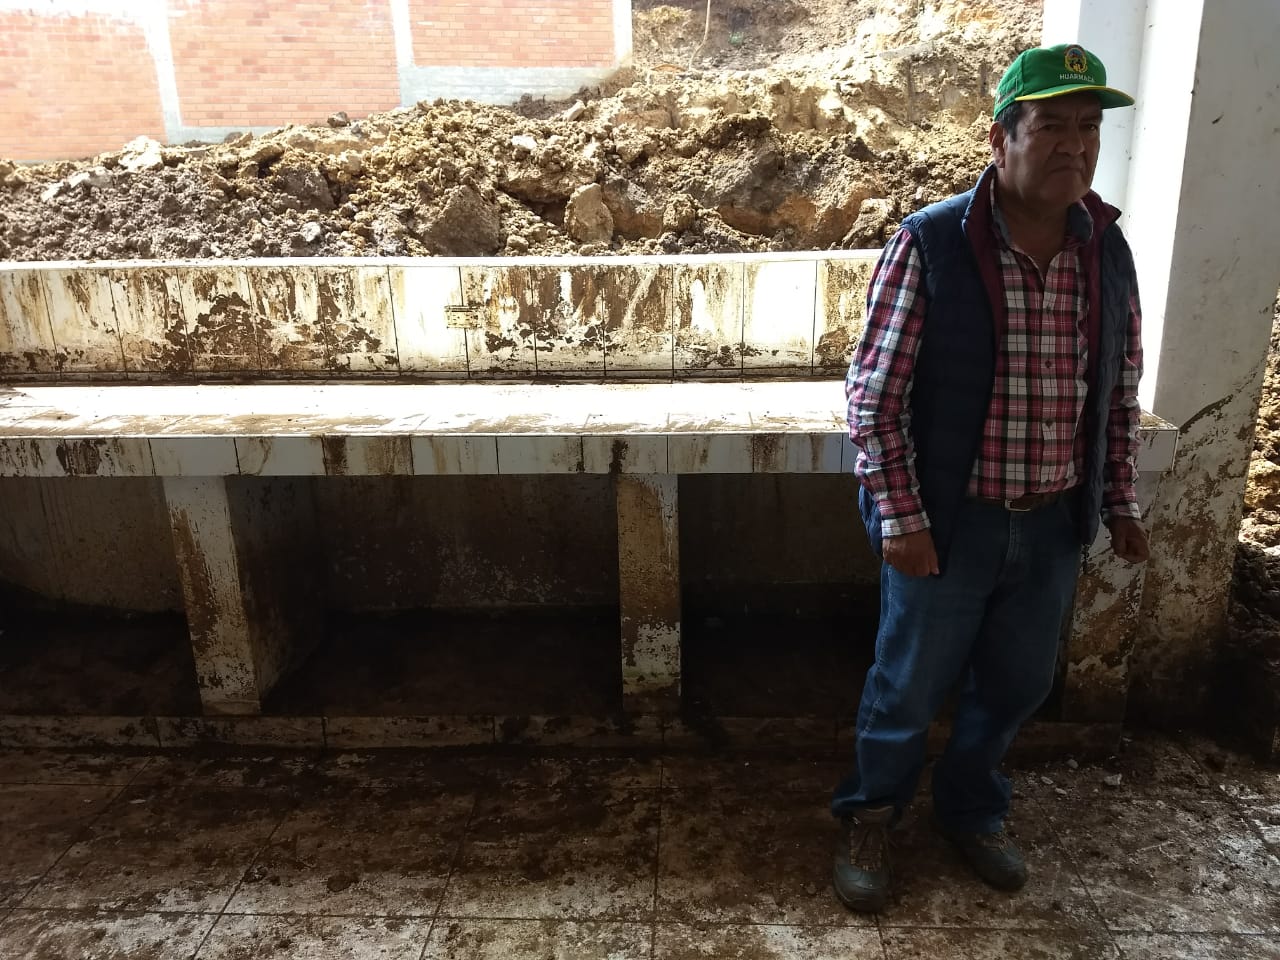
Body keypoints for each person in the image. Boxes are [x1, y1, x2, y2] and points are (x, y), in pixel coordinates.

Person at [831, 43, 1150, 913]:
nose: (1075, 147)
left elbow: (1116, 389)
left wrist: (1118, 501)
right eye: (1051, 127)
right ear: (1000, 138)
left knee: (1017, 683)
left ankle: (971, 809)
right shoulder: (932, 243)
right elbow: (874, 398)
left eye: (1088, 129)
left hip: (1052, 522)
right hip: (951, 521)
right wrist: (903, 519)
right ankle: (871, 814)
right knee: (908, 684)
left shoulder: (1106, 248)